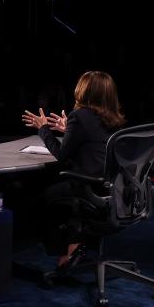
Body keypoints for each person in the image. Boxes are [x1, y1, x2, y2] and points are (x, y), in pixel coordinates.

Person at [22, 70, 126, 268]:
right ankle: (76, 242)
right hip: (113, 189)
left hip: (90, 187)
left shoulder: (80, 115)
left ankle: (65, 252)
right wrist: (68, 129)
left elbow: (62, 156)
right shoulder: (114, 118)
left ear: (83, 91)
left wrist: (43, 128)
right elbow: (94, 141)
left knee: (43, 197)